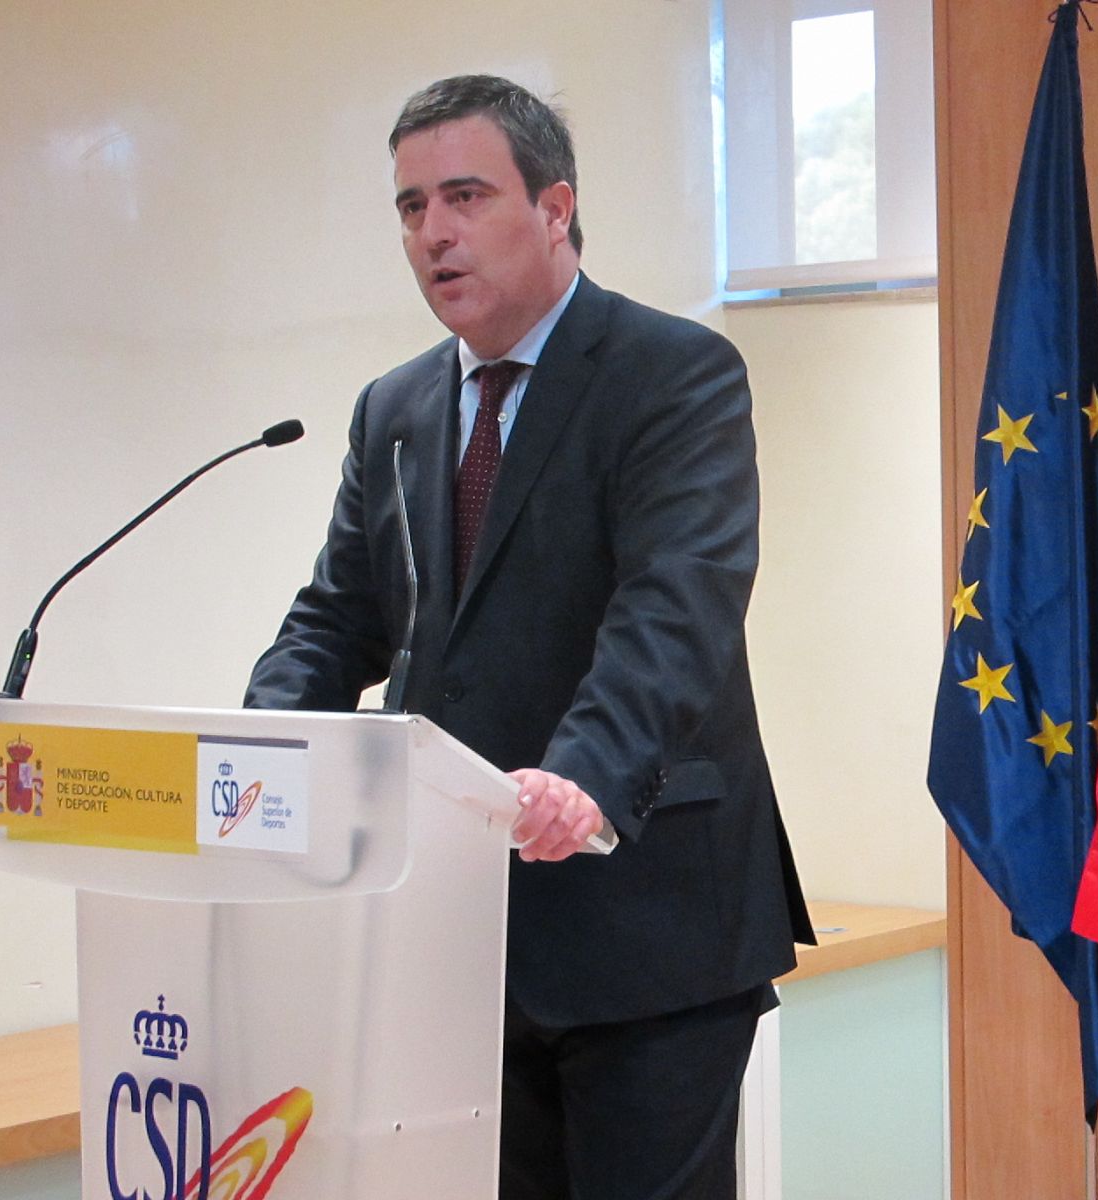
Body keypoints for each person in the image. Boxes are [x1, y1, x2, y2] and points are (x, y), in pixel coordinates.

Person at [245, 74, 812, 1199]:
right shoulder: (394, 410)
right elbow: (339, 618)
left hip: (646, 924)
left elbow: (674, 610)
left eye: (464, 195)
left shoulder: (673, 375)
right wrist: (259, 754)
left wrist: (581, 781)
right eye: (411, 207)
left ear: (555, 208)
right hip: (461, 933)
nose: (434, 233)